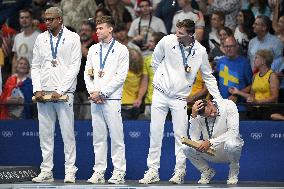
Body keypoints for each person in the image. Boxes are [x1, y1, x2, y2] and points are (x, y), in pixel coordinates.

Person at [139, 19, 222, 185]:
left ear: (191, 35)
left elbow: (208, 76)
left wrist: (219, 99)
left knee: (181, 137)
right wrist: (163, 81)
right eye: (176, 31)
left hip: (179, 98)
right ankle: (153, 171)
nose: (177, 35)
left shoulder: (200, 51)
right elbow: (155, 61)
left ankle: (179, 172)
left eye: (181, 33)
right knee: (155, 134)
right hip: (160, 95)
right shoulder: (167, 41)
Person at [31, 7, 82, 183]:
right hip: (44, 93)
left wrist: (60, 90)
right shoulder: (40, 38)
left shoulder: (73, 38)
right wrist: (37, 88)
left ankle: (70, 171)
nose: (47, 23)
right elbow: (35, 65)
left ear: (60, 19)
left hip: (64, 93)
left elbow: (75, 66)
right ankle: (46, 171)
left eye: (51, 19)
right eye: (45, 19)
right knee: (45, 134)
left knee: (67, 133)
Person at [84, 15, 129, 184]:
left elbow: (120, 77)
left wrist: (102, 93)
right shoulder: (93, 49)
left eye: (101, 28)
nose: (97, 31)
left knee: (116, 137)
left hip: (111, 99)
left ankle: (119, 172)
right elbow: (88, 74)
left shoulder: (121, 50)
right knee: (99, 137)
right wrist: (93, 92)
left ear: (110, 29)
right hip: (95, 99)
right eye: (96, 28)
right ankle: (99, 171)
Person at [182, 99, 244, 184]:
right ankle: (206, 171)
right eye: (207, 116)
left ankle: (234, 170)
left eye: (211, 110)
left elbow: (233, 132)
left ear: (210, 102)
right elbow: (194, 138)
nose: (212, 114)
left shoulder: (228, 105)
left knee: (232, 144)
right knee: (186, 147)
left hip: (227, 150)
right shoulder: (199, 115)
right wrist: (193, 116)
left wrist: (211, 142)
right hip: (210, 151)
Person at [12, 8, 40, 73]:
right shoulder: (17, 37)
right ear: (19, 20)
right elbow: (15, 58)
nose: (24, 20)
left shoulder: (39, 37)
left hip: (34, 78)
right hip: (20, 79)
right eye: (22, 18)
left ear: (32, 19)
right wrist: (13, 76)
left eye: (27, 17)